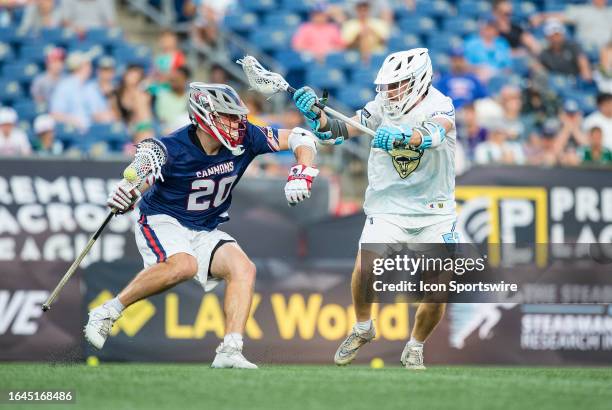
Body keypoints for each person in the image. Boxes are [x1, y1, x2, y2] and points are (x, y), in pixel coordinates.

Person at [84, 83, 320, 369]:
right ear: (204, 117)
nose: (237, 123)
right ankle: (108, 312)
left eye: (237, 116)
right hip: (163, 219)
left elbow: (301, 137)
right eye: (227, 116)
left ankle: (230, 349)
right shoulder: (172, 148)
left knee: (243, 268)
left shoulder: (247, 137)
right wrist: (126, 192)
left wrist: (301, 171)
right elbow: (141, 171)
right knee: (183, 265)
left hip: (205, 227)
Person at [292, 48, 457, 369]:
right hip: (388, 206)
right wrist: (318, 116)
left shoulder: (441, 104)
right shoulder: (380, 106)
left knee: (437, 291)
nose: (390, 92)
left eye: (397, 85)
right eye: (388, 86)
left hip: (435, 210)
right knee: (366, 267)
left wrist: (402, 136)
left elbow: (434, 133)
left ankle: (415, 346)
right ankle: (363, 327)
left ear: (418, 81)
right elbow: (337, 133)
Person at [50, 51, 111, 130]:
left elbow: (99, 112)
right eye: (87, 64)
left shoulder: (91, 87)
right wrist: (74, 121)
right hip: (73, 133)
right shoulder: (64, 86)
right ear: (79, 66)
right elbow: (55, 114)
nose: (90, 67)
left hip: (94, 131)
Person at [531, 0, 612, 50]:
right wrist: (541, 17)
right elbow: (561, 17)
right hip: (585, 46)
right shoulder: (583, 10)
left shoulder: (610, 11)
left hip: (608, 47)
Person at [111, 64, 154, 142]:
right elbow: (116, 115)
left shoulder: (141, 94)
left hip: (140, 127)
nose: (132, 78)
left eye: (136, 76)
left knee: (145, 134)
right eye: (130, 74)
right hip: (124, 127)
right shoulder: (117, 93)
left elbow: (145, 118)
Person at [464, 16, 512, 83]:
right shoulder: (471, 43)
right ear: (481, 28)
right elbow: (465, 66)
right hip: (478, 77)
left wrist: (497, 73)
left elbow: (508, 67)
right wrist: (478, 69)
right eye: (487, 27)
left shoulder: (502, 43)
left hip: (498, 78)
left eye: (493, 27)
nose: (490, 30)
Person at [155, 66, 192, 134]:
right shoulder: (162, 95)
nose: (175, 80)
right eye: (173, 79)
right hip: (167, 131)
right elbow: (162, 120)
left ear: (186, 80)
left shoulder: (191, 97)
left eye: (179, 78)